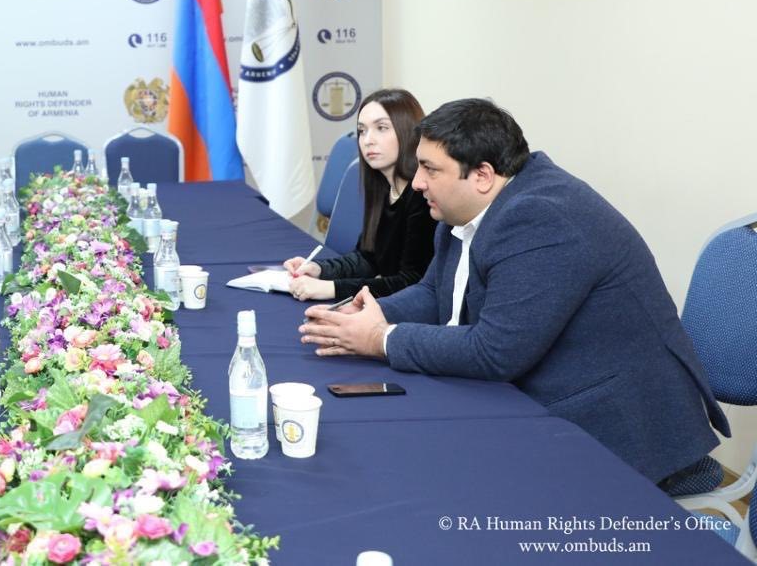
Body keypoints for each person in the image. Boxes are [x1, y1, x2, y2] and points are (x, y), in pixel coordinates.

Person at [298, 99, 729, 486]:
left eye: (430, 169)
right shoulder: (465, 206)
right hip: (545, 392)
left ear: (482, 175)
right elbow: (433, 292)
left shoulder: (541, 218)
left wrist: (380, 339)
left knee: (436, 477)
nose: (417, 183)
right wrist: (369, 313)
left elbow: (495, 352)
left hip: (622, 426)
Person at [282, 89, 436, 302]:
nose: (367, 140)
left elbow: (412, 282)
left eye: (381, 128)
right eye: (362, 131)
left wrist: (331, 288)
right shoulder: (384, 188)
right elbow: (368, 258)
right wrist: (319, 269)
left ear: (409, 132)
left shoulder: (424, 196)